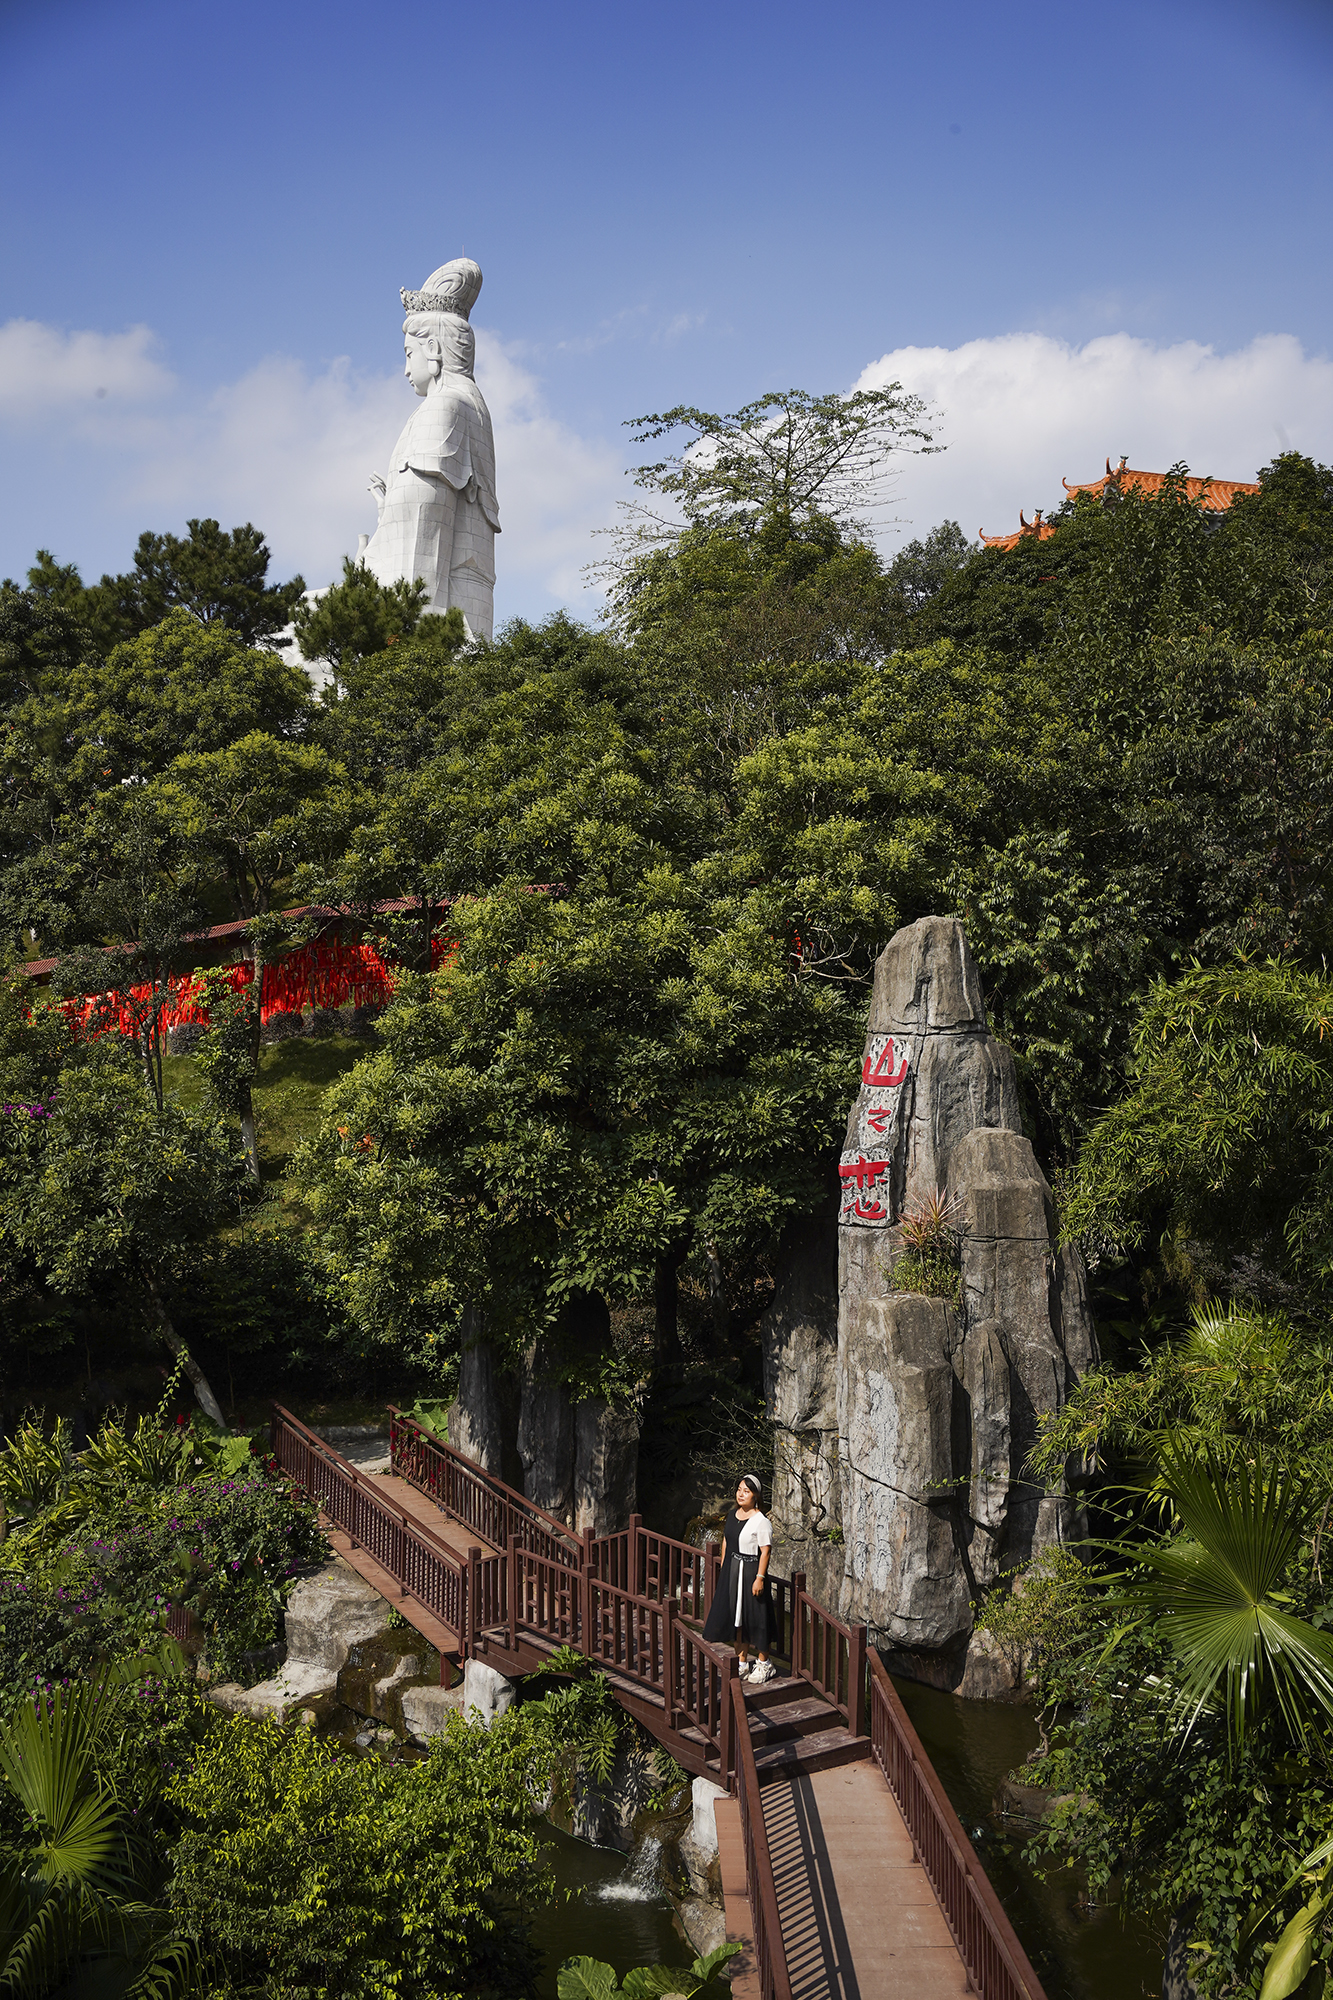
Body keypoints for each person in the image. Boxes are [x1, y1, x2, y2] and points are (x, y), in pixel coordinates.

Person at [702, 1473, 780, 1683]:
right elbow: (727, 1542)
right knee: (737, 1617)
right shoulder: (732, 1515)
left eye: (746, 1491)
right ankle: (742, 1661)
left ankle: (764, 1664)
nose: (741, 1494)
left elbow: (765, 1552)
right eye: (739, 1490)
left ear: (756, 1495)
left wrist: (760, 1578)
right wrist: (724, 1566)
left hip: (751, 1571)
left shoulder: (761, 1522)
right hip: (733, 1571)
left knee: (757, 1617)